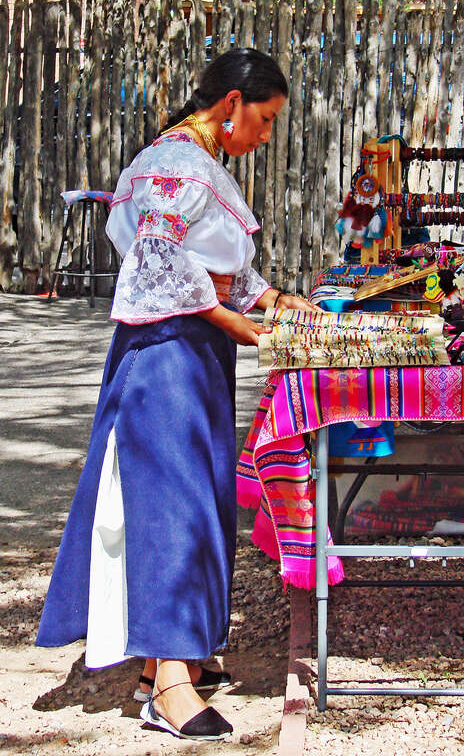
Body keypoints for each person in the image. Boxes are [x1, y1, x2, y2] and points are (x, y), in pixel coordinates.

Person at [36, 47, 320, 741]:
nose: (264, 136)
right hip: (166, 359)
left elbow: (213, 268)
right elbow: (161, 269)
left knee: (197, 501)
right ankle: (166, 689)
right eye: (263, 119)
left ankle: (172, 660)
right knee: (172, 506)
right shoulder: (174, 164)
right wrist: (253, 333)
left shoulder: (190, 164)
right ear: (230, 105)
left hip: (191, 352)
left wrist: (280, 303)